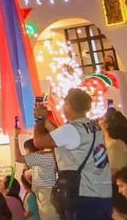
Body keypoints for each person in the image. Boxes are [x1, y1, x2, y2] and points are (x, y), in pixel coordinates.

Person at [32, 88, 112, 220]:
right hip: (102, 193)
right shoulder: (94, 126)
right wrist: (46, 120)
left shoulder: (72, 129)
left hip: (83, 195)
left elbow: (38, 142)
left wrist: (40, 119)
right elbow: (62, 137)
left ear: (69, 105)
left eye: (65, 103)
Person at [13, 128, 58, 220]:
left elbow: (17, 157)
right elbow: (28, 177)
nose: (26, 155)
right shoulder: (46, 158)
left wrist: (16, 137)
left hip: (49, 205)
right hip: (47, 204)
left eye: (27, 152)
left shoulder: (42, 157)